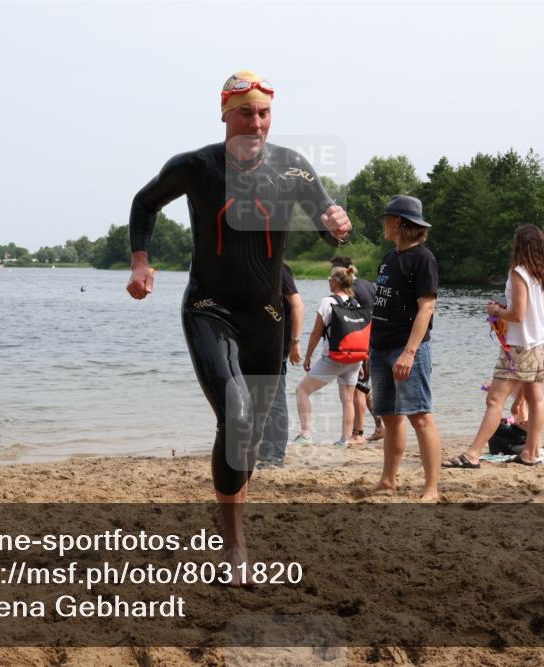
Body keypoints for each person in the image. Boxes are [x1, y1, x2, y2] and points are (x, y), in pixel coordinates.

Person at [126, 71, 351, 571]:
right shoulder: (196, 166)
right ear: (225, 113)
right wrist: (141, 262)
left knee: (248, 433)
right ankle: (235, 544)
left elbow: (325, 218)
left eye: (264, 113)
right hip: (209, 308)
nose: (256, 122)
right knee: (238, 416)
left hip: (267, 318)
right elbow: (145, 203)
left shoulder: (292, 168)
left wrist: (337, 223)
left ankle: (232, 516)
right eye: (245, 111)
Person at [444, 225, 544, 468]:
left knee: (494, 401)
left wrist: (496, 310)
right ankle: (531, 452)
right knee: (537, 400)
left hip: (520, 347)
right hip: (543, 345)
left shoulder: (519, 272)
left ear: (519, 246)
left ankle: (473, 454)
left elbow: (517, 314)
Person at [370, 195, 441, 500]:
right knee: (389, 416)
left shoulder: (423, 258)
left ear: (398, 223)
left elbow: (427, 308)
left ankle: (432, 488)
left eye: (387, 218)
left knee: (419, 415)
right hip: (380, 347)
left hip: (406, 349)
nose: (384, 223)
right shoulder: (389, 258)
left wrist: (409, 352)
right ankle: (388, 481)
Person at [294, 266, 366, 447]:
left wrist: (308, 356)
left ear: (335, 282)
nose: (328, 282)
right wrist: (364, 361)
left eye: (329, 279)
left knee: (302, 390)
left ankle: (306, 434)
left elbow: (316, 333)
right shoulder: (355, 302)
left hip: (333, 358)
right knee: (347, 400)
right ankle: (344, 440)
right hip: (355, 358)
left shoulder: (327, 302)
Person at [257, 263, 305, 468]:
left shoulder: (277, 268)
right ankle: (266, 450)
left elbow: (297, 304)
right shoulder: (256, 267)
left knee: (274, 400)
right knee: (261, 398)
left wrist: (295, 342)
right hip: (260, 344)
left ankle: (276, 455)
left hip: (277, 345)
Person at [330, 255, 379, 445]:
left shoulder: (350, 290)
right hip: (370, 339)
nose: (331, 274)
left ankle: (357, 433)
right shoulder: (368, 284)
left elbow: (345, 319)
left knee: (357, 389)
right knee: (363, 387)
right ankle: (379, 425)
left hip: (357, 343)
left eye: (334, 271)